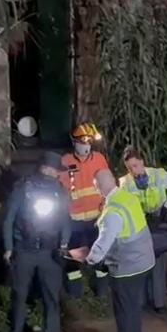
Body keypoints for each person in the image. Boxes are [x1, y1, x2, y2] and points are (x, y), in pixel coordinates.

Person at [73, 169, 155, 332]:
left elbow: (102, 246)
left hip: (126, 267)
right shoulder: (127, 197)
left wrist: (87, 258)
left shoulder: (113, 212)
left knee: (124, 313)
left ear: (97, 187)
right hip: (144, 262)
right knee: (134, 310)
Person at [2, 151, 71, 332]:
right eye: (52, 168)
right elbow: (9, 219)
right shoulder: (24, 187)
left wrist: (64, 244)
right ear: (43, 167)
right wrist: (8, 247)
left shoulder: (60, 191)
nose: (55, 173)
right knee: (20, 296)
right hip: (24, 251)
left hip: (50, 253)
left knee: (52, 298)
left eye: (56, 170)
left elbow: (66, 220)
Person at [119, 146, 167, 314]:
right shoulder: (124, 182)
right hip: (140, 222)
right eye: (129, 168)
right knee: (140, 261)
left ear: (142, 162)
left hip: (158, 220)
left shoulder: (158, 174)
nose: (133, 171)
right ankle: (141, 301)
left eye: (135, 166)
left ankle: (158, 302)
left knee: (158, 261)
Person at [60, 122, 111, 298]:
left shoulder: (99, 159)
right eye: (83, 142)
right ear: (74, 142)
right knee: (73, 256)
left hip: (97, 218)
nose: (86, 145)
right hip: (73, 219)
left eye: (89, 142)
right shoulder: (65, 162)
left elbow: (107, 183)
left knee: (100, 254)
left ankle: (102, 290)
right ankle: (75, 293)